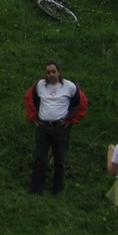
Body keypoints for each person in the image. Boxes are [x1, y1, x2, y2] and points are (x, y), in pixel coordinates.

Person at [24, 61, 88, 194]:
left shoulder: (69, 86)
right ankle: (36, 190)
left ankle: (57, 190)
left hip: (60, 128)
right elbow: (30, 99)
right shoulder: (40, 85)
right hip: (43, 127)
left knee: (60, 159)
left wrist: (72, 120)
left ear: (59, 72)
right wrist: (33, 117)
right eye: (48, 72)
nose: (51, 74)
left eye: (53, 71)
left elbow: (81, 103)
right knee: (40, 158)